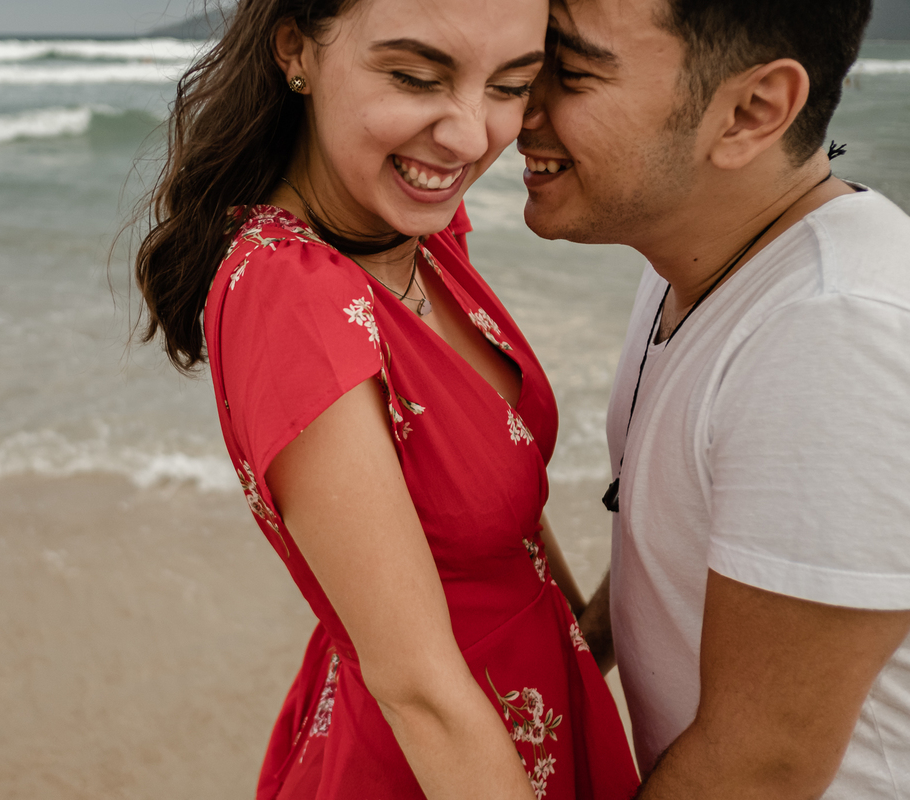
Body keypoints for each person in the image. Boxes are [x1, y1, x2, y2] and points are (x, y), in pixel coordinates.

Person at [133, 0, 640, 797]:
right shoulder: (291, 295)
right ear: (296, 48)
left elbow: (476, 475)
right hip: (440, 760)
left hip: (527, 705)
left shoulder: (413, 223)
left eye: (511, 85)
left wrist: (586, 636)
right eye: (415, 76)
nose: (472, 137)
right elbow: (418, 690)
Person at [517, 0, 910, 796]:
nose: (520, 107)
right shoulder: (694, 258)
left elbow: (761, 765)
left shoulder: (834, 332)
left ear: (750, 111)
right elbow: (678, 540)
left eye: (573, 71)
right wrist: (581, 649)